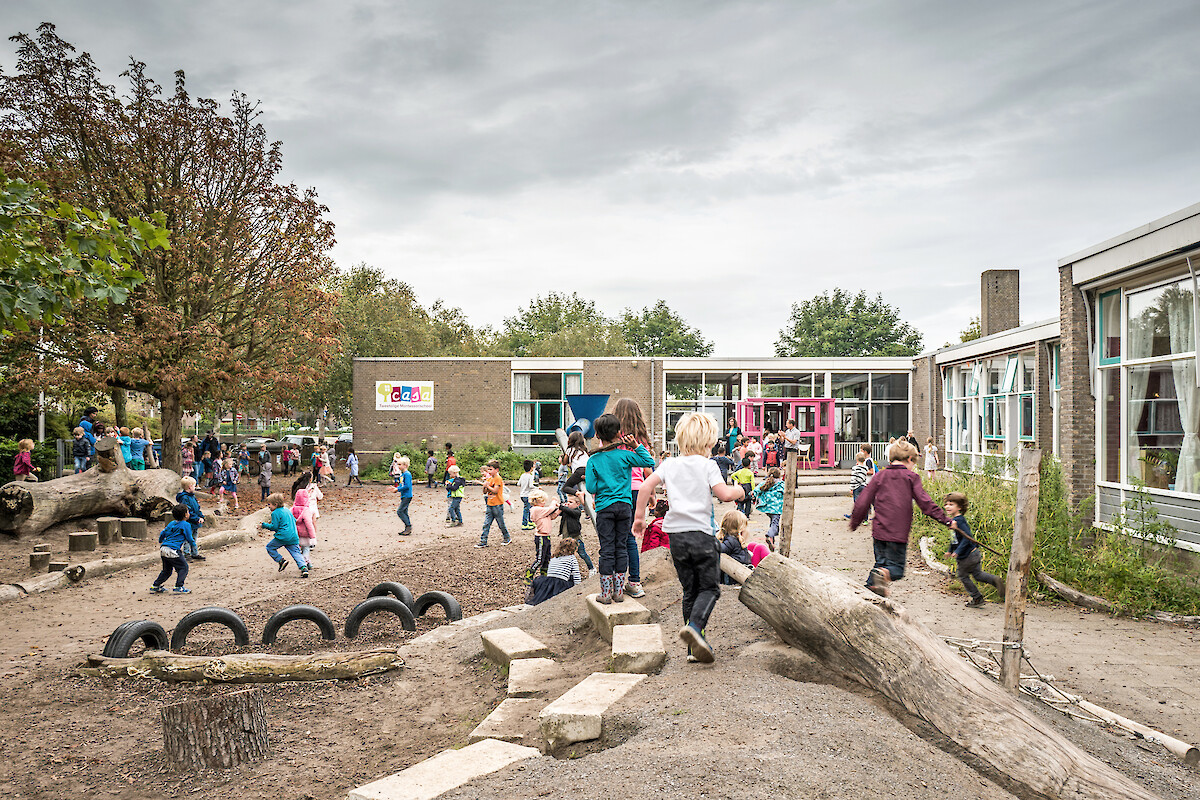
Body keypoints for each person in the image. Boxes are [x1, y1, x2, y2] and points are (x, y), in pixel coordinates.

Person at [633, 412, 747, 663]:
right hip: (702, 537)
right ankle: (695, 628)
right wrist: (740, 491)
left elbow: (644, 486)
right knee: (709, 588)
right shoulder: (707, 465)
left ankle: (693, 648)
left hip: (676, 538)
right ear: (708, 443)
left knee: (689, 591)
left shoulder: (669, 464)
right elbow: (724, 494)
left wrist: (640, 518)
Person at [849, 441, 956, 597]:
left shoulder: (881, 476)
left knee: (881, 564)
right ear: (910, 459)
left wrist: (855, 522)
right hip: (897, 533)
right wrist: (946, 520)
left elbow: (863, 500)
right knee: (896, 570)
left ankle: (870, 590)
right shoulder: (911, 477)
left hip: (879, 531)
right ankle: (875, 585)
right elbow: (926, 503)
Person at [585, 413, 655, 604]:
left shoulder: (594, 460)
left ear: (598, 436)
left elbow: (590, 488)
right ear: (618, 433)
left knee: (607, 549)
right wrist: (635, 446)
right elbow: (649, 463)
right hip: (625, 507)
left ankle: (605, 594)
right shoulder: (626, 455)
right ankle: (619, 592)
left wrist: (603, 485)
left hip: (604, 508)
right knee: (621, 547)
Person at [613, 397, 653, 599]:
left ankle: (615, 581)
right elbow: (647, 468)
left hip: (620, 490)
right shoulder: (640, 439)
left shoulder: (614, 438)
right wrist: (652, 493)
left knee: (617, 537)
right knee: (631, 539)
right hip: (639, 490)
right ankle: (635, 582)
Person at [944, 492, 1004, 607]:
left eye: (951, 504)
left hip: (967, 556)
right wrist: (950, 550)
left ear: (959, 507)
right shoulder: (954, 521)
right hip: (973, 553)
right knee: (978, 575)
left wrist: (957, 551)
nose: (947, 507)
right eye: (946, 504)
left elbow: (968, 538)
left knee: (962, 575)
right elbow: (954, 539)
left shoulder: (959, 520)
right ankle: (995, 580)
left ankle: (977, 598)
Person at [150, 504, 194, 593]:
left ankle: (155, 585)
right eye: (188, 512)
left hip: (164, 548)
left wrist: (160, 540)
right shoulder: (186, 525)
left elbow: (163, 532)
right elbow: (189, 537)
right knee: (183, 567)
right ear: (185, 515)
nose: (189, 513)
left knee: (166, 570)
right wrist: (193, 546)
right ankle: (179, 587)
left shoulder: (171, 523)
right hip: (173, 550)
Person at [527, 536, 583, 605]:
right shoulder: (572, 558)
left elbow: (550, 572)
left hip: (548, 582)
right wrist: (578, 589)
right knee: (571, 579)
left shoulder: (554, 557)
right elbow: (576, 576)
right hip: (561, 584)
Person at [262, 492, 308, 576]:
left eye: (269, 504)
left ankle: (281, 560)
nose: (268, 506)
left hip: (283, 536)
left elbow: (274, 527)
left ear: (275, 504)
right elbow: (294, 520)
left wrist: (264, 525)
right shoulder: (287, 510)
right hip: (293, 536)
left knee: (270, 547)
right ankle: (303, 567)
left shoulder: (275, 513)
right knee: (296, 552)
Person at [477, 459, 511, 547]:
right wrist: (484, 486)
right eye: (488, 469)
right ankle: (483, 541)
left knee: (500, 523)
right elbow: (485, 492)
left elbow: (495, 490)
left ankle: (507, 537)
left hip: (497, 504)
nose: (489, 471)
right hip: (490, 503)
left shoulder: (498, 479)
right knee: (486, 523)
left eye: (491, 469)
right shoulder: (489, 479)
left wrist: (487, 486)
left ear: (497, 470)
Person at [557, 489, 593, 571]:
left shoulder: (577, 512)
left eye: (570, 502)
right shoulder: (566, 510)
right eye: (568, 502)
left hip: (575, 538)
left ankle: (591, 568)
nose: (568, 504)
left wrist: (561, 506)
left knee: (582, 554)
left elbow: (571, 512)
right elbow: (559, 512)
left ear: (577, 504)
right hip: (565, 537)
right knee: (565, 554)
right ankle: (567, 570)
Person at [175, 477, 207, 562]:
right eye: (194, 486)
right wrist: (196, 518)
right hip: (189, 522)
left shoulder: (192, 497)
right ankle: (187, 554)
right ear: (190, 486)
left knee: (194, 538)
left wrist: (201, 516)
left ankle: (194, 553)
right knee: (187, 538)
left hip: (195, 522)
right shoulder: (185, 498)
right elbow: (187, 511)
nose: (195, 487)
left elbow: (197, 508)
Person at [752, 468, 784, 551]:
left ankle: (772, 542)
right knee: (775, 525)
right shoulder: (781, 484)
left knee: (772, 523)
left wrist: (752, 496)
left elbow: (755, 490)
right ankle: (769, 535)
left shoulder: (765, 483)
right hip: (776, 509)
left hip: (767, 508)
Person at [292, 475, 321, 565]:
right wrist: (313, 537)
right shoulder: (314, 487)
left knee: (301, 547)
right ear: (310, 479)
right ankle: (306, 561)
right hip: (310, 508)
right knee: (312, 524)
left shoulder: (299, 488)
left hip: (297, 532)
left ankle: (303, 562)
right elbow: (320, 497)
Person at [717, 510, 752, 584]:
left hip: (737, 571)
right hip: (738, 570)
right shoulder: (734, 540)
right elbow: (722, 548)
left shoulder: (733, 540)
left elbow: (721, 548)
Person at [528, 489, 556, 575]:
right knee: (540, 559)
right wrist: (554, 501)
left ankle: (544, 575)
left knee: (547, 558)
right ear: (537, 501)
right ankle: (529, 575)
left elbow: (552, 516)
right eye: (543, 501)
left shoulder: (542, 511)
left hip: (547, 536)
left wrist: (561, 509)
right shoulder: (536, 510)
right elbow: (551, 508)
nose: (544, 503)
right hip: (541, 537)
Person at [846, 452, 872, 520]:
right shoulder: (865, 468)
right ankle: (865, 519)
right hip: (863, 486)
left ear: (857, 460)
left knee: (857, 503)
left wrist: (851, 488)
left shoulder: (855, 468)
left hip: (856, 487)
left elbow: (853, 478)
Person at [393, 455, 413, 536]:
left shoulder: (407, 474)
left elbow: (407, 486)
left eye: (400, 464)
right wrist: (396, 488)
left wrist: (397, 489)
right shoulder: (402, 474)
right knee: (404, 511)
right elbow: (402, 485)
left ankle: (408, 526)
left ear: (405, 465)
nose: (398, 466)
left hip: (407, 495)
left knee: (400, 511)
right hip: (404, 495)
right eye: (398, 464)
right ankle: (407, 528)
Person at [519, 459, 536, 530]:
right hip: (527, 495)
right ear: (531, 467)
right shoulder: (530, 476)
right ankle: (524, 524)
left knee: (529, 508)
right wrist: (537, 488)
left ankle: (530, 521)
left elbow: (518, 483)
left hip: (522, 495)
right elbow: (531, 486)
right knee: (527, 509)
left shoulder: (522, 475)